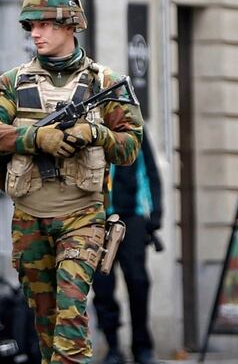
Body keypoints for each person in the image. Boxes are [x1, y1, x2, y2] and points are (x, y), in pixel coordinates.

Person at [0, 0, 144, 364]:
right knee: (46, 319)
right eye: (32, 25)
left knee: (70, 313)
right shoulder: (13, 84)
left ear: (71, 26)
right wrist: (36, 138)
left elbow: (130, 146)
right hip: (30, 218)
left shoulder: (104, 83)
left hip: (82, 216)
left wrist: (95, 133)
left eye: (47, 25)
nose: (37, 33)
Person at [92, 136, 163, 364]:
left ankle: (142, 347)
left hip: (131, 218)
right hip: (99, 219)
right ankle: (113, 347)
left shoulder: (135, 128)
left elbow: (151, 171)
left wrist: (155, 213)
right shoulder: (90, 125)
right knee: (102, 286)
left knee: (138, 281)